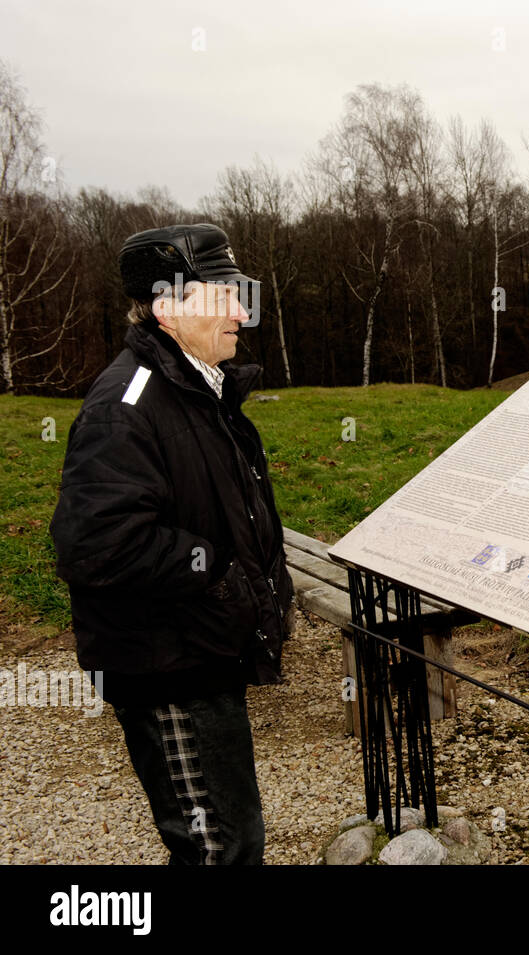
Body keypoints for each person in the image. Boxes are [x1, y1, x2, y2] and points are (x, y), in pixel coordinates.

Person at [50, 223, 295, 865]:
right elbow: (96, 543)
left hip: (202, 651)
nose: (241, 311)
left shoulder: (198, 388)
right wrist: (219, 573)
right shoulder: (127, 404)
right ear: (167, 307)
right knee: (218, 848)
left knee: (226, 840)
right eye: (223, 295)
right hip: (169, 669)